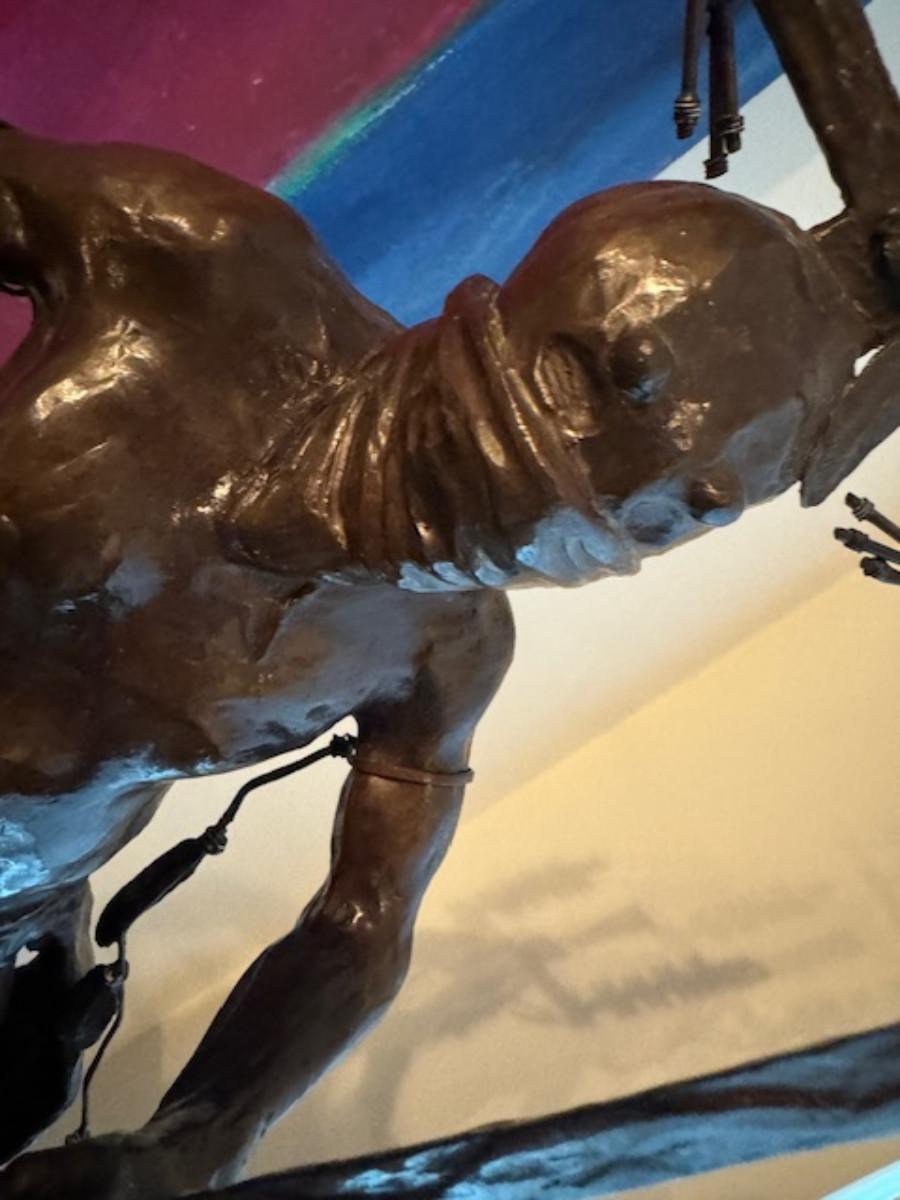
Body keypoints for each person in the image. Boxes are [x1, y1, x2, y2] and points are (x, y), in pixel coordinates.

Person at [0, 124, 879, 1198]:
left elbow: (360, 927)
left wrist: (197, 1135)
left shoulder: (447, 644)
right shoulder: (198, 262)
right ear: (506, 317)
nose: (505, 537)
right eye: (482, 466)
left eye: (615, 525)